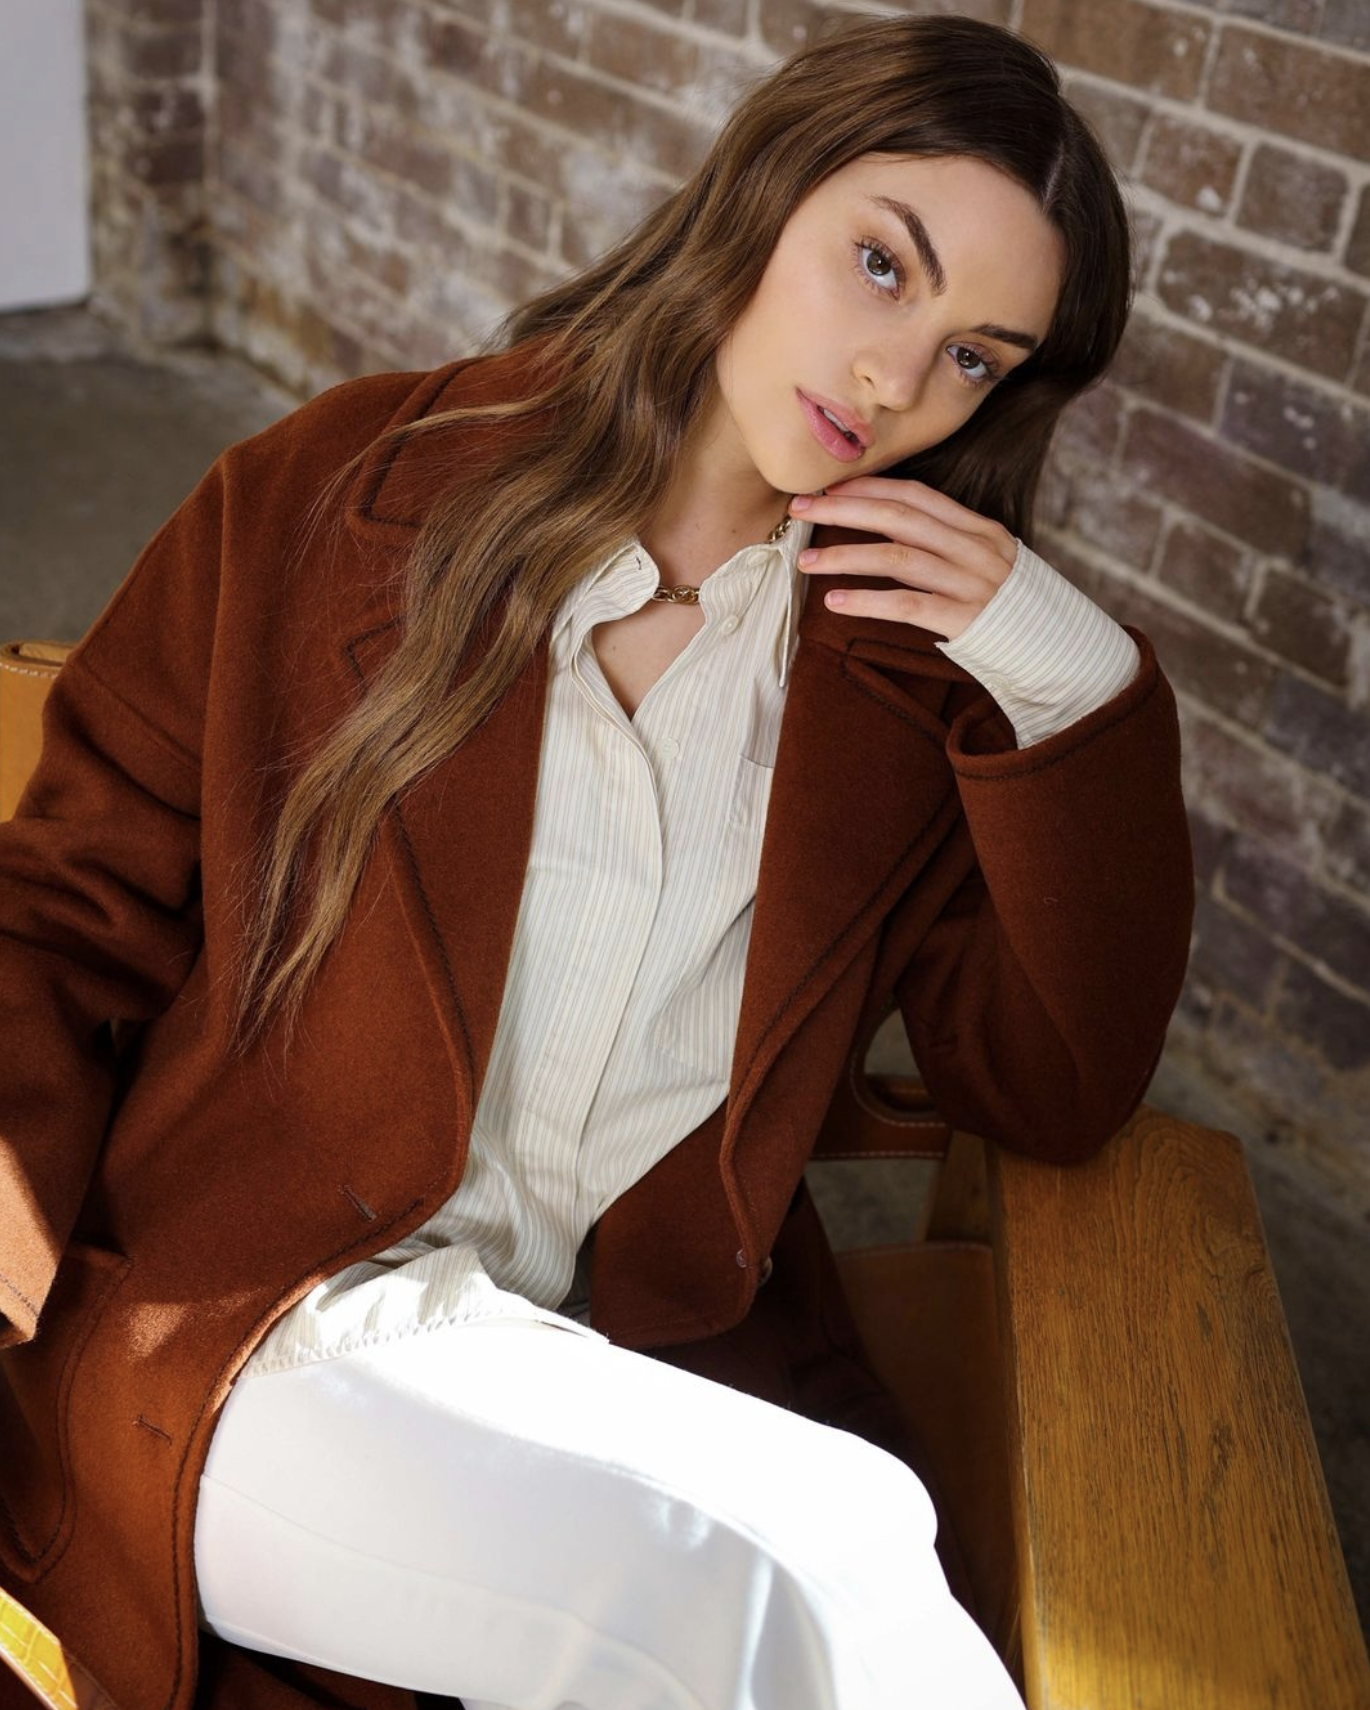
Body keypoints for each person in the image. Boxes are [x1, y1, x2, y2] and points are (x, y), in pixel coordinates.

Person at [0, 12, 1194, 1710]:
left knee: (845, 1530)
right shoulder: (340, 491)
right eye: (878, 266)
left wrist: (1076, 690)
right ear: (761, 195)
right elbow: (59, 903)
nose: (892, 380)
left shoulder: (909, 684)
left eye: (972, 358)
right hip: (255, 1336)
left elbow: (1054, 1085)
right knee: (784, 1566)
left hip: (638, 1367)